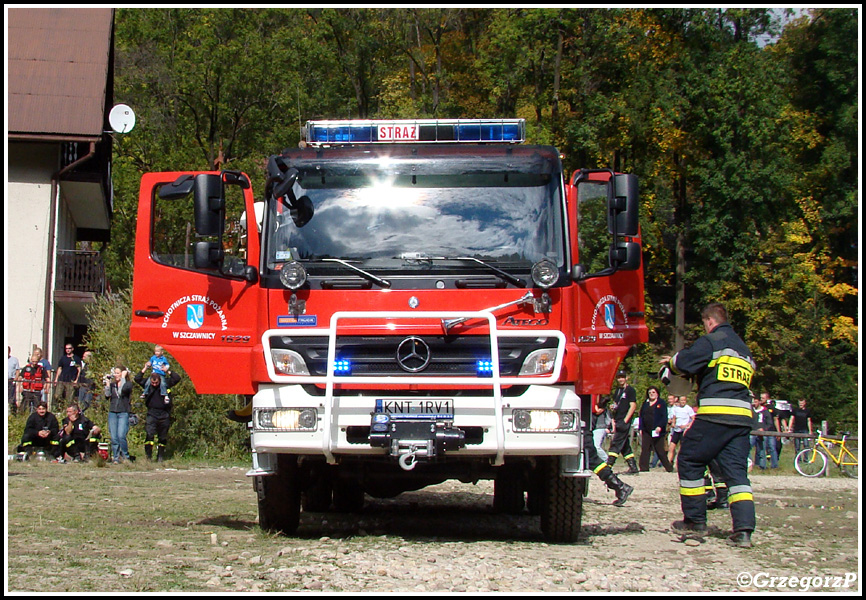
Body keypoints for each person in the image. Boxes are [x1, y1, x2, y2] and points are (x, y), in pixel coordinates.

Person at [659, 302, 757, 548]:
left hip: (715, 415)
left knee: (690, 459)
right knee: (736, 474)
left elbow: (684, 362)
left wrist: (670, 363)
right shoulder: (744, 351)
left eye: (705, 325)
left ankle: (694, 521)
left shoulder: (713, 341)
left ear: (710, 321)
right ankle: (743, 531)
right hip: (742, 419)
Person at [134, 366, 181, 462]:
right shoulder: (147, 384)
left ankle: (160, 456)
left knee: (162, 437)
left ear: (160, 380)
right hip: (152, 413)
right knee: (149, 435)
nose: (154, 384)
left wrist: (167, 371)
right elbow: (137, 378)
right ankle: (148, 457)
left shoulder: (165, 384)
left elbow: (177, 378)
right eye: (153, 383)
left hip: (164, 414)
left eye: (156, 383)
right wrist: (145, 368)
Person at [606, 370, 640, 474]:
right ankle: (633, 467)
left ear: (626, 378)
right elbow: (617, 403)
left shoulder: (630, 390)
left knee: (616, 443)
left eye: (622, 377)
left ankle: (608, 466)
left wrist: (626, 420)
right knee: (624, 446)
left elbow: (633, 406)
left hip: (624, 420)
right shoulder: (617, 390)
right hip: (617, 419)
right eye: (619, 377)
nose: (621, 379)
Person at [638, 386, 674, 472]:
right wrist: (640, 428)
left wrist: (660, 426)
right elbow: (641, 416)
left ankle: (669, 467)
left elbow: (664, 417)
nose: (651, 394)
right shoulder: (645, 403)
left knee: (660, 450)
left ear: (657, 393)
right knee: (645, 448)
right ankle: (644, 468)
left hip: (657, 430)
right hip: (646, 430)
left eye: (653, 392)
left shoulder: (661, 403)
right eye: (650, 393)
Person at [105, 366, 134, 464]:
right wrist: (108, 385)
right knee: (114, 437)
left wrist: (123, 379)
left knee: (121, 435)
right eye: (115, 373)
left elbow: (122, 391)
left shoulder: (128, 384)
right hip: (113, 411)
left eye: (118, 373)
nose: (115, 375)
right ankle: (116, 457)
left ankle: (125, 455)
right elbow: (107, 395)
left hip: (123, 412)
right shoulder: (113, 385)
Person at [752, 394, 779, 469]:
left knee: (763, 449)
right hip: (752, 432)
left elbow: (770, 422)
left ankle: (764, 466)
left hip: (763, 433)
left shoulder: (765, 411)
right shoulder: (751, 411)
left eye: (756, 402)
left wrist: (764, 429)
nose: (754, 404)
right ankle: (751, 464)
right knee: (748, 448)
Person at [667, 395, 696, 465]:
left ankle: (679, 464)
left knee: (682, 448)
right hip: (676, 430)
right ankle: (668, 464)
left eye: (684, 400)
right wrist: (673, 423)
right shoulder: (676, 408)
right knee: (671, 447)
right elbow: (674, 417)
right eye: (681, 400)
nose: (683, 402)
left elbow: (693, 418)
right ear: (679, 401)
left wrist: (687, 425)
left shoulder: (688, 408)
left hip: (684, 430)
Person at [591, 395, 613, 462]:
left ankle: (606, 460)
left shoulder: (602, 408)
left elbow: (597, 411)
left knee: (596, 446)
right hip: (595, 428)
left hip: (600, 427)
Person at [9, 346, 20, 415]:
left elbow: (17, 371)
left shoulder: (14, 360)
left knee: (11, 398)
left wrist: (15, 380)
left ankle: (12, 413)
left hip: (10, 380)